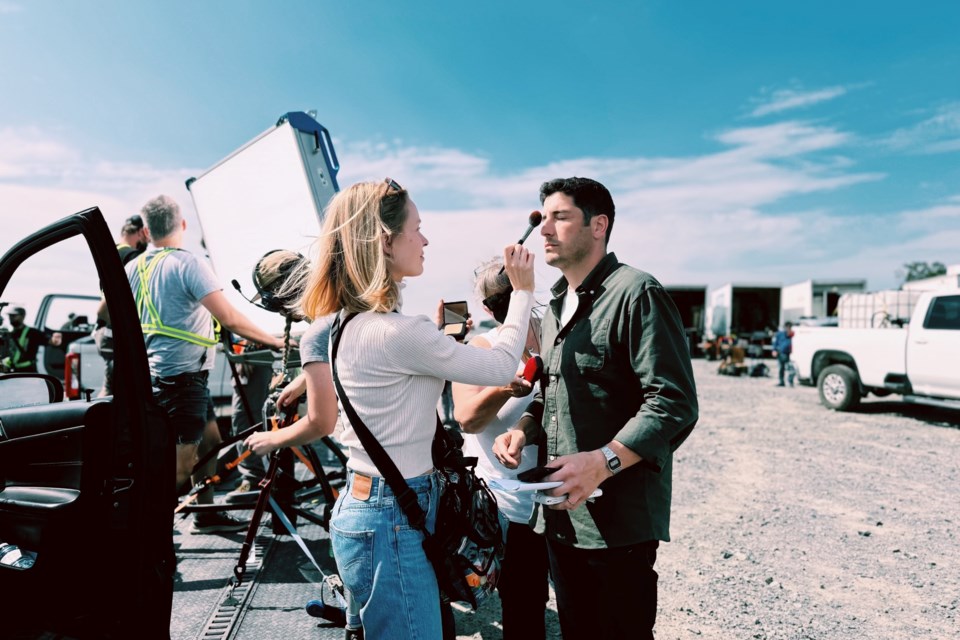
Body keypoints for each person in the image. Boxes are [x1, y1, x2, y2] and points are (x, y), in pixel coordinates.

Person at [300, 178, 535, 638]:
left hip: (374, 505)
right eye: (417, 228)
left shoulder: (352, 324)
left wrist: (441, 341)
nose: (425, 240)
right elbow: (504, 362)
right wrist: (523, 291)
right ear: (386, 241)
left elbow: (396, 384)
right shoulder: (402, 333)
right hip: (390, 516)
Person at [492, 177, 699, 639]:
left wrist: (603, 462)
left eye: (560, 217)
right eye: (542, 218)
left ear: (598, 225)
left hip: (617, 525)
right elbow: (550, 390)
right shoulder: (556, 307)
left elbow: (674, 402)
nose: (544, 229)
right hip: (560, 515)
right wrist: (524, 429)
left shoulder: (636, 292)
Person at [122, 195, 285, 534]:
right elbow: (229, 318)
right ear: (181, 225)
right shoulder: (188, 263)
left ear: (148, 230)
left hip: (164, 373)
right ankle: (145, 538)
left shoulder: (132, 268)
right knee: (180, 468)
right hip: (183, 377)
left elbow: (112, 316)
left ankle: (206, 512)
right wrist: (276, 341)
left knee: (211, 443)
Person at [452, 257, 549, 640]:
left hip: (559, 497)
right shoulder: (481, 347)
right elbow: (466, 418)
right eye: (502, 299)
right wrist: (504, 388)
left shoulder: (551, 335)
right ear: (490, 309)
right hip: (508, 503)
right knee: (523, 604)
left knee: (549, 602)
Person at [94, 214, 151, 396]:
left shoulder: (111, 252)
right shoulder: (130, 257)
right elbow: (105, 308)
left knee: (111, 387)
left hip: (104, 332)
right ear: (141, 233)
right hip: (114, 333)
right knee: (117, 392)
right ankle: (102, 424)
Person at [1, 307, 49, 373]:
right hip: (12, 371)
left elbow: (50, 341)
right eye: (10, 316)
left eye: (14, 316)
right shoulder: (8, 335)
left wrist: (55, 340)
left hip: (27, 371)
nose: (11, 318)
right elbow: (6, 353)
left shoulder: (33, 333)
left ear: (23, 316)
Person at [773, 321, 795, 387]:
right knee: (781, 368)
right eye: (787, 327)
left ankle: (790, 382)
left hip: (789, 354)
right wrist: (774, 350)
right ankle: (781, 381)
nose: (788, 329)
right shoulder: (779, 334)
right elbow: (775, 342)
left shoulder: (792, 335)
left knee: (791, 369)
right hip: (780, 353)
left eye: (790, 328)